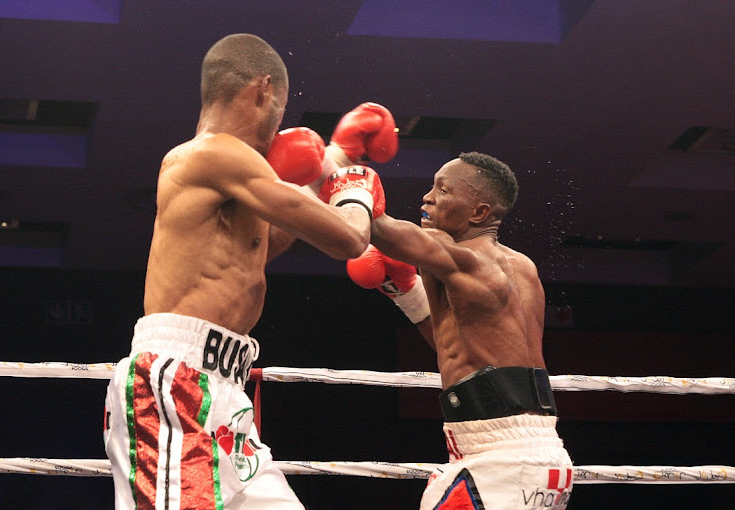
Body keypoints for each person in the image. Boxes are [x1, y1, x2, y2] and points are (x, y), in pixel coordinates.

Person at [102, 33, 395, 510]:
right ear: (263, 90)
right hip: (175, 385)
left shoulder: (237, 178)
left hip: (225, 394)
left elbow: (260, 249)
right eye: (280, 108)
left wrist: (335, 162)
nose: (279, 124)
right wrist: (354, 189)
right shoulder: (212, 153)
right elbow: (348, 238)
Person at [347, 152, 574, 509]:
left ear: (479, 213)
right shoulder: (522, 268)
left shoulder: (467, 259)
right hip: (531, 454)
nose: (427, 197)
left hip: (501, 460)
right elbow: (458, 349)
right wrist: (406, 293)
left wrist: (346, 183)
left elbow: (382, 230)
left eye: (443, 190)